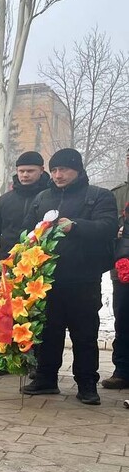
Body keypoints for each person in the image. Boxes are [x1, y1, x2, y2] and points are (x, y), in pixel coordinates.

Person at [22, 148, 118, 405]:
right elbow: (28, 230)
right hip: (47, 281)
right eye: (53, 170)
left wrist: (75, 226)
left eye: (63, 169)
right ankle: (46, 378)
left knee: (84, 334)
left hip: (83, 279)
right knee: (48, 332)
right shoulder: (42, 198)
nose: (58, 174)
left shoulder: (98, 196)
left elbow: (108, 227)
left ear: (77, 169)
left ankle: (87, 383)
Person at [0, 151, 52, 375]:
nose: (25, 175)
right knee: (5, 313)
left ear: (41, 171)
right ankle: (5, 359)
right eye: (21, 171)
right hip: (7, 267)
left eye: (30, 171)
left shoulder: (50, 197)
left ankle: (36, 362)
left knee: (35, 316)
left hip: (38, 269)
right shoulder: (5, 201)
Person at [104, 146, 129, 390]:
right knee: (123, 320)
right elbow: (105, 227)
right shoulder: (117, 195)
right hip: (123, 271)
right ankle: (122, 370)